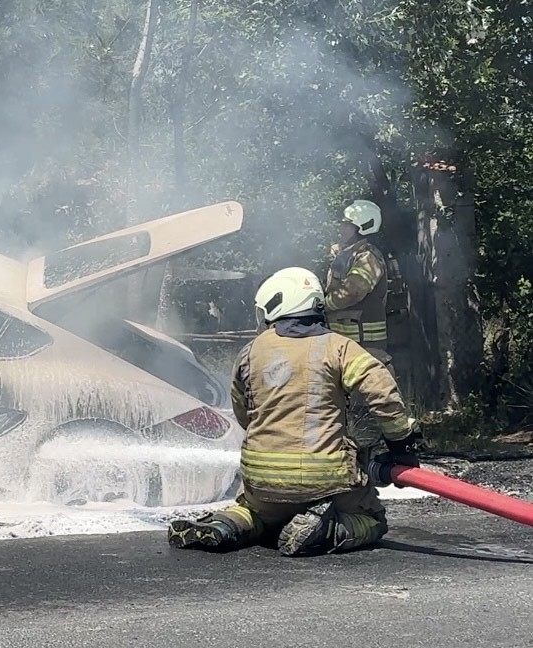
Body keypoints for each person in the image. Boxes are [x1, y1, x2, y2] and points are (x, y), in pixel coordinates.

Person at [166, 267, 423, 557]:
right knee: (372, 519)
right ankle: (327, 530)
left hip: (260, 481)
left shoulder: (251, 351)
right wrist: (401, 445)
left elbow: (243, 411)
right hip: (325, 481)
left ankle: (225, 526)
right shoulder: (340, 348)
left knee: (255, 513)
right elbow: (383, 394)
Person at [325, 199, 391, 368]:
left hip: (366, 346)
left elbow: (353, 291)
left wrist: (324, 305)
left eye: (348, 225)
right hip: (349, 344)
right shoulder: (351, 254)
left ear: (363, 227)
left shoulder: (368, 257)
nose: (342, 228)